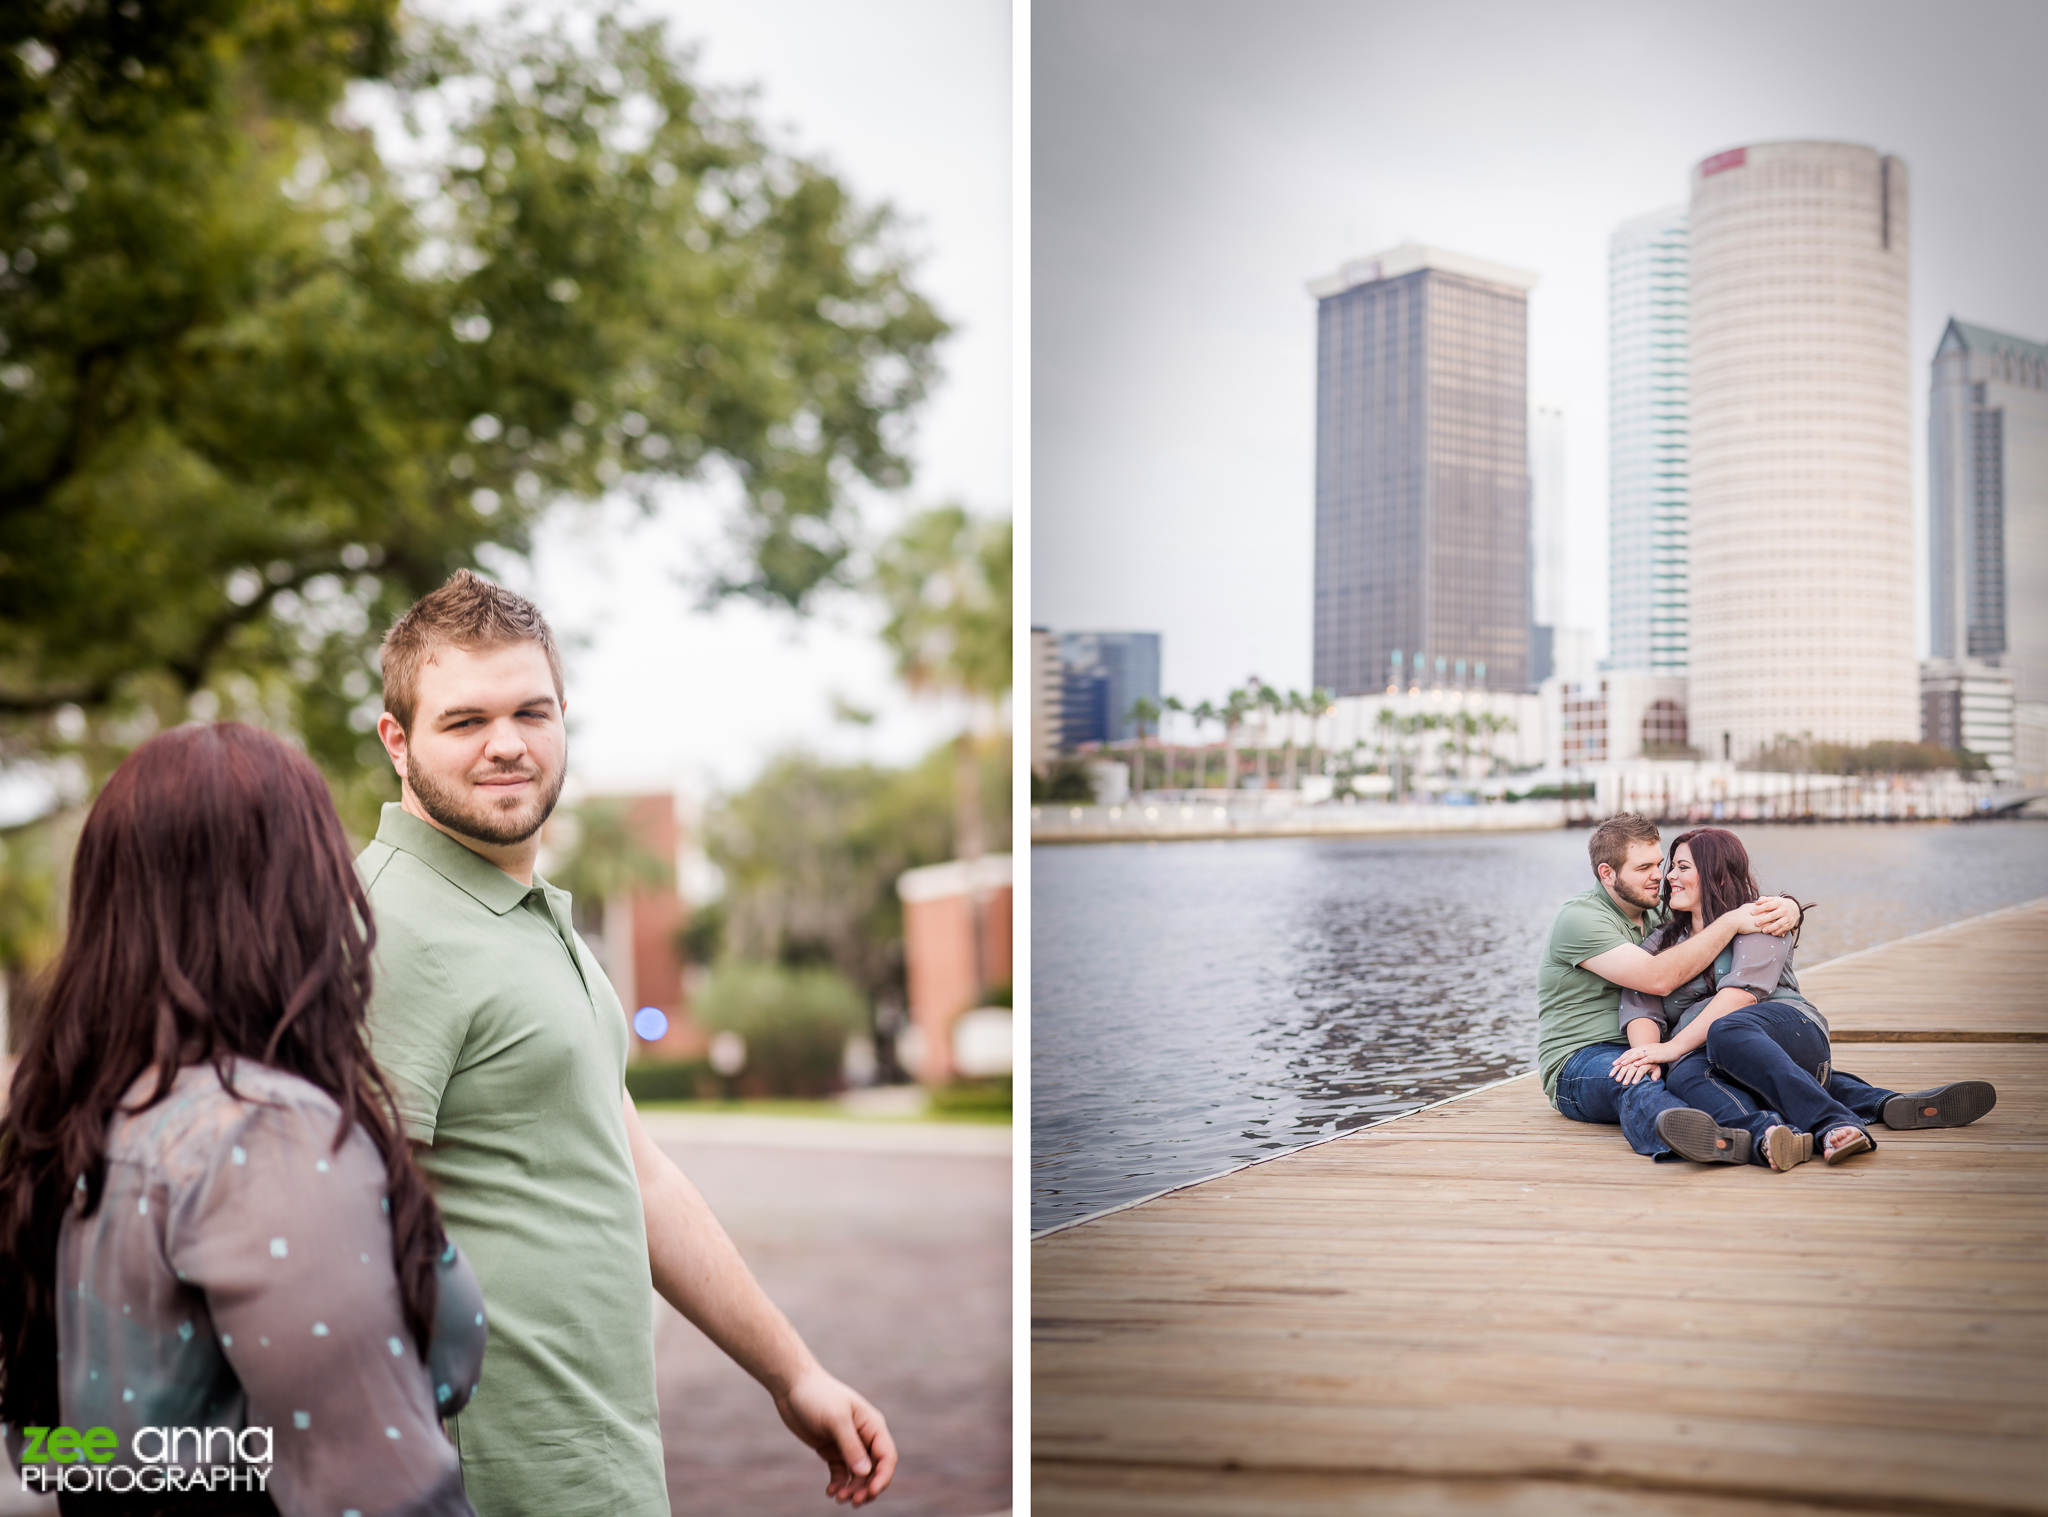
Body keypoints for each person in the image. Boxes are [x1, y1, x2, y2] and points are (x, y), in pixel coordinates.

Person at [358, 570, 895, 1517]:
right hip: (487, 1474)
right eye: (465, 720)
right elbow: (346, 1219)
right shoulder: (391, 924)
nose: (508, 745)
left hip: (594, 1456)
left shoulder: (528, 916)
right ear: (397, 741)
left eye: (533, 710)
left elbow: (639, 1175)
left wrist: (792, 1373)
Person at [0, 723, 487, 1516]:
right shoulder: (260, 1136)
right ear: (302, 894)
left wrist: (196, 1447)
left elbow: (49, 1447)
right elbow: (379, 1489)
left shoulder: (77, 1124)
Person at [1612, 827, 1996, 1169]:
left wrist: (1674, 1046)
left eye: (1682, 867)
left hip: (1790, 1032)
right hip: (1722, 1055)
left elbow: (1740, 997)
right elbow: (1641, 1005)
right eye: (1671, 868)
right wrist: (1649, 1056)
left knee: (1727, 1031)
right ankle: (1769, 1137)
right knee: (1687, 1073)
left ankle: (1833, 1124)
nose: (1669, 878)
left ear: (1718, 874)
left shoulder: (1762, 919)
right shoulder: (1661, 942)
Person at [1537, 813, 1804, 1158]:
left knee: (1739, 1068)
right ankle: (1726, 1142)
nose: (1657, 877)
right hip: (1582, 1059)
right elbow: (1657, 978)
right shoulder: (1580, 919)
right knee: (1637, 1081)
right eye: (1643, 868)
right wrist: (1733, 921)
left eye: (1659, 864)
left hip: (1659, 1044)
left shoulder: (1657, 913)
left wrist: (1789, 907)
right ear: (1607, 873)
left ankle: (1844, 1116)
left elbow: (1708, 922)